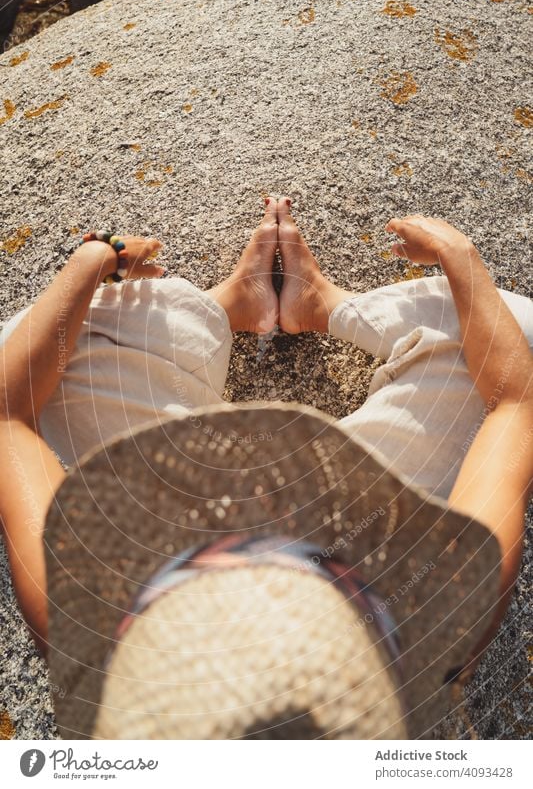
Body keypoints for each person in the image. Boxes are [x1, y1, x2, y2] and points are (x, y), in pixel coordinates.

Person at [0, 197, 531, 738]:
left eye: (217, 567)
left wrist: (95, 259)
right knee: (513, 327)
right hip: (370, 516)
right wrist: (460, 256)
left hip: (280, 536)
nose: (260, 527)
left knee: (52, 334)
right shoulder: (451, 609)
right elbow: (517, 397)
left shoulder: (79, 621)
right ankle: (320, 305)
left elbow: (7, 410)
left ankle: (216, 312)